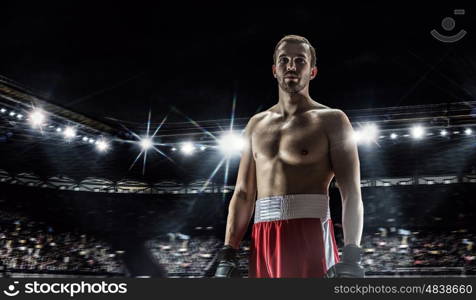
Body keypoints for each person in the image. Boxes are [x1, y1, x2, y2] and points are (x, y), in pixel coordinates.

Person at [214, 35, 364, 278]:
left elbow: (351, 192)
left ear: (313, 71)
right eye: (284, 60)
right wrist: (228, 251)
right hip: (263, 239)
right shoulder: (255, 124)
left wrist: (352, 254)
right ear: (274, 70)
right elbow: (243, 193)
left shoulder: (333, 120)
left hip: (310, 233)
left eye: (300, 60)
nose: (291, 66)